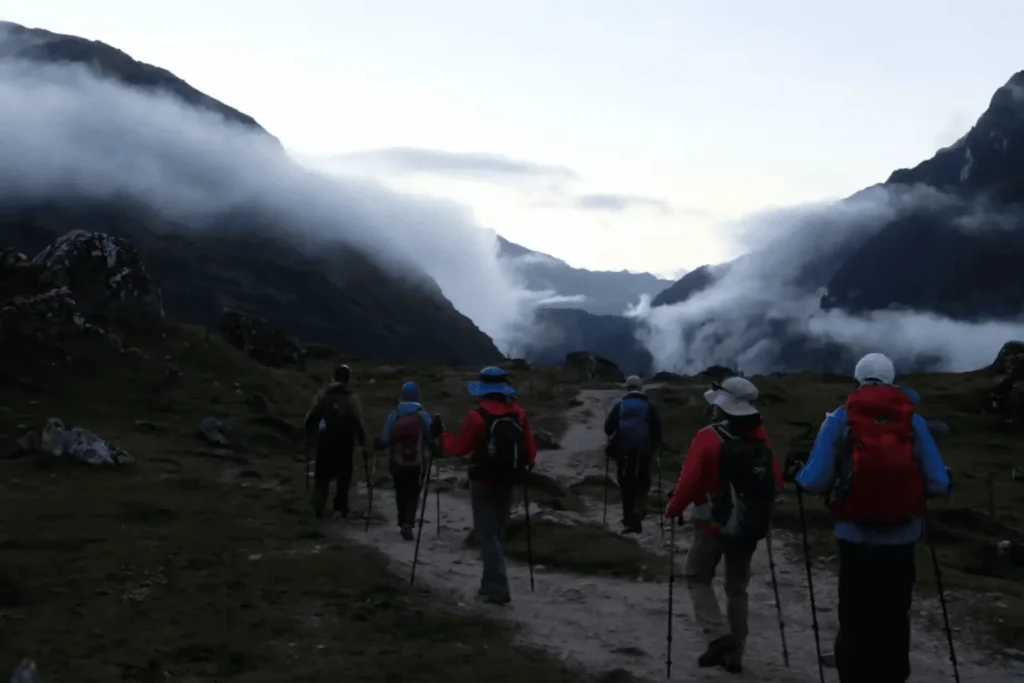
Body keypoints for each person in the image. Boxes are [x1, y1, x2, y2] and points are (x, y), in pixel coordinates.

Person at [795, 352, 950, 683]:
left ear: (857, 379)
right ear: (894, 381)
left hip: (855, 538)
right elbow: (938, 483)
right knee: (894, 616)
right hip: (902, 538)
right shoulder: (913, 422)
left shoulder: (839, 419)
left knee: (855, 617)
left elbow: (813, 481)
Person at [665, 375, 783, 674]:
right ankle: (736, 657)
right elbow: (776, 481)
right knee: (737, 588)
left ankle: (718, 637)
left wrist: (673, 508)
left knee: (697, 576)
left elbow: (689, 482)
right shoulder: (760, 438)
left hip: (712, 524)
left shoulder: (707, 437)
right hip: (749, 527)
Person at [430, 366, 538, 605]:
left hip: (483, 482)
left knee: (486, 535)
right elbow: (531, 451)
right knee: (497, 533)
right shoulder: (518, 415)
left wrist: (442, 435)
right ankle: (487, 586)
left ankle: (498, 588)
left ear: (483, 389)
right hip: (509, 481)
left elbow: (458, 448)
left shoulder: (476, 417)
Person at [303, 364, 367, 520]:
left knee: (322, 475)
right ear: (348, 379)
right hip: (344, 444)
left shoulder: (323, 395)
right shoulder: (351, 397)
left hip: (324, 442)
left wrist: (310, 436)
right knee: (343, 477)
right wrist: (362, 442)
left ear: (334, 376)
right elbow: (359, 421)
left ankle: (319, 505)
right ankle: (340, 508)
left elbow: (310, 417)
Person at [603, 374, 663, 534]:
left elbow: (608, 428)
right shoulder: (649, 406)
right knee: (643, 483)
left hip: (623, 450)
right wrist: (656, 449)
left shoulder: (620, 405)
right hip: (644, 450)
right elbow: (657, 431)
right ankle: (638, 510)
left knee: (626, 483)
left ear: (627, 388)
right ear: (640, 387)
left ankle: (628, 519)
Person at [379, 381, 435, 541]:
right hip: (418, 461)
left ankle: (401, 519)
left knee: (400, 490)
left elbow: (385, 438)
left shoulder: (394, 414)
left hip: (396, 460)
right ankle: (408, 523)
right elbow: (431, 436)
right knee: (414, 491)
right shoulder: (422, 414)